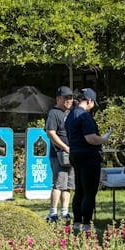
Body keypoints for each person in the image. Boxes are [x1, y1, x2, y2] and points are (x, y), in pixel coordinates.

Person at [65, 88, 110, 232]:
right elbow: (90, 138)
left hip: (75, 154)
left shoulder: (71, 115)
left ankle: (77, 222)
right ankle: (87, 224)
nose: (93, 106)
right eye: (93, 103)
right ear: (89, 101)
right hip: (88, 156)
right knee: (89, 191)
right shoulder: (84, 116)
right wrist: (104, 139)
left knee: (79, 189)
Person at [45, 86, 74, 223]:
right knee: (58, 184)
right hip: (58, 155)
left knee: (68, 185)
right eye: (66, 98)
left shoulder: (71, 113)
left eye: (71, 97)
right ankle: (52, 213)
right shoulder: (54, 113)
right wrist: (65, 147)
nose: (69, 100)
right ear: (58, 98)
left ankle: (65, 212)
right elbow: (50, 132)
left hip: (71, 154)